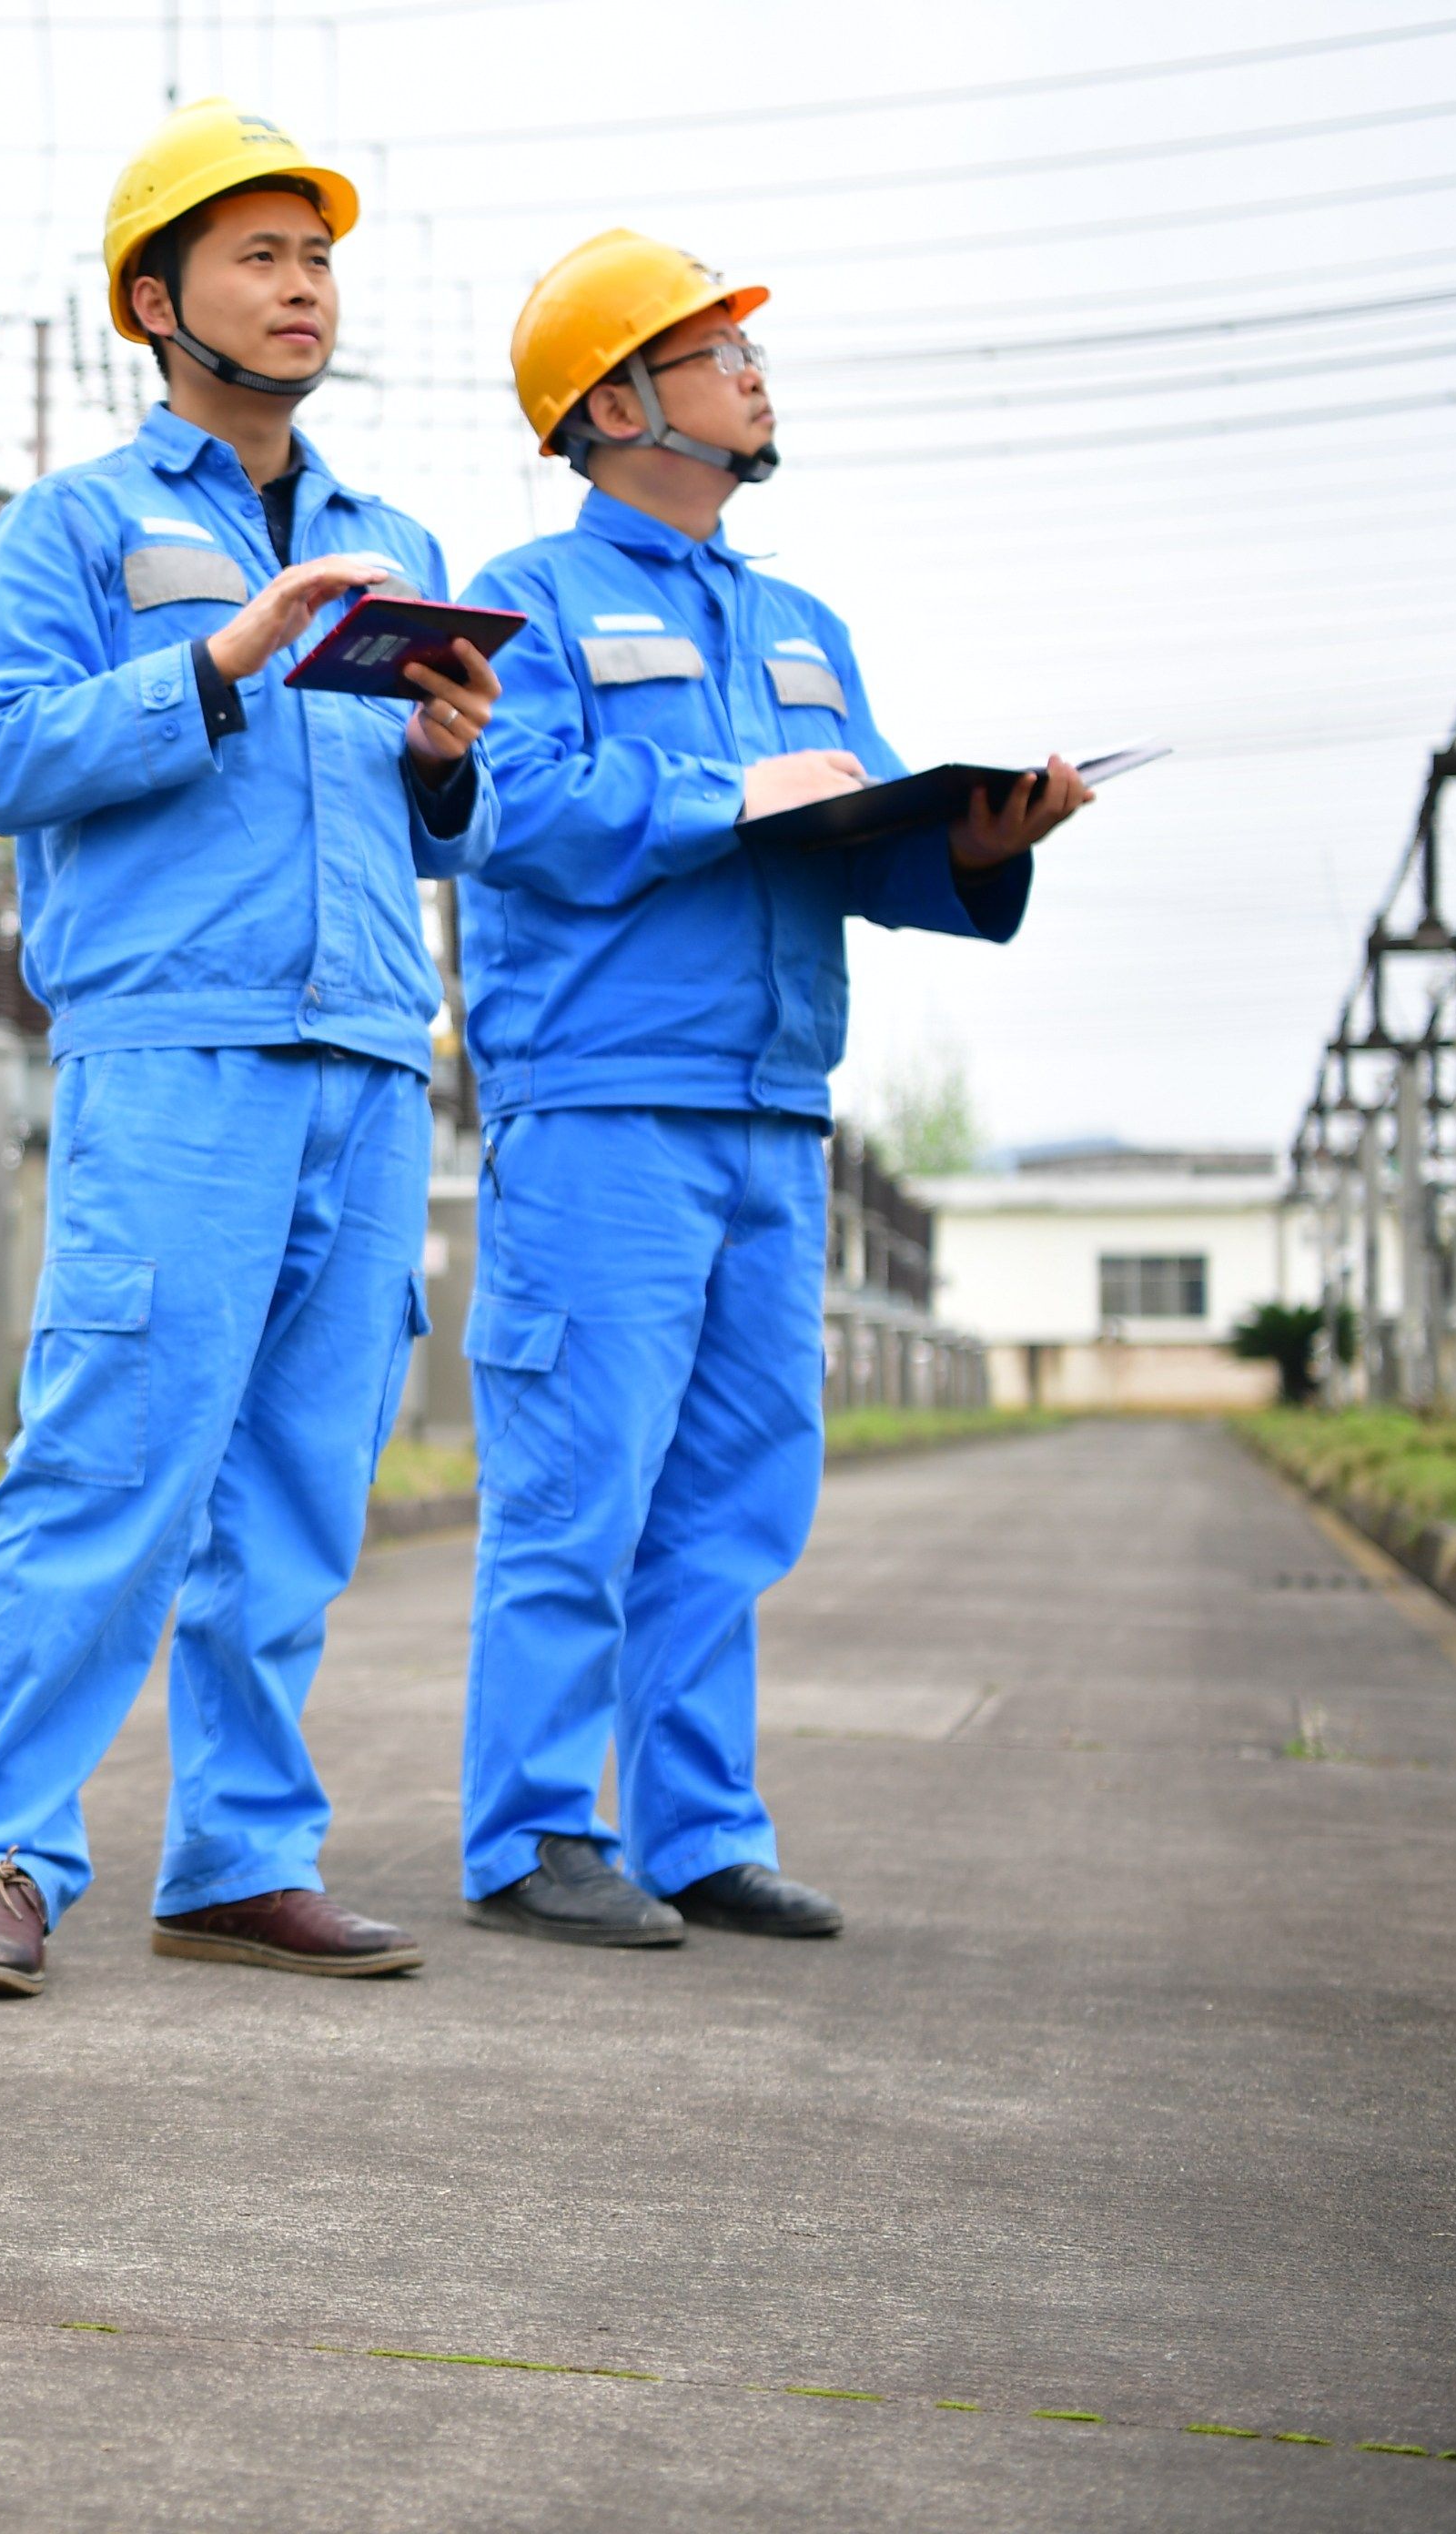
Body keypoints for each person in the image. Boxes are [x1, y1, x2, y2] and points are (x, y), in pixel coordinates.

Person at [0, 98, 506, 1997]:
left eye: (317, 257)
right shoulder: (79, 527)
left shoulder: (393, 537)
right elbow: (0, 758)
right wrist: (221, 660)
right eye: (259, 257)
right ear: (155, 301)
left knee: (297, 1499)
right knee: (111, 1468)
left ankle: (242, 1857)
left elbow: (437, 828)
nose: (301, 287)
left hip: (362, 1056)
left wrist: (448, 766)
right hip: (177, 1058)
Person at [449, 231, 1091, 1947]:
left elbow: (854, 845)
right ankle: (528, 1835)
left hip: (772, 1114)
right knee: (581, 1483)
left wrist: (972, 846)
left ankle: (699, 1831)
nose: (753, 371)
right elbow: (509, 815)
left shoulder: (802, 625)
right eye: (716, 347)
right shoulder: (526, 602)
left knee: (739, 1489)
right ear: (614, 400)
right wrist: (722, 798)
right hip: (601, 1105)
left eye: (745, 347)